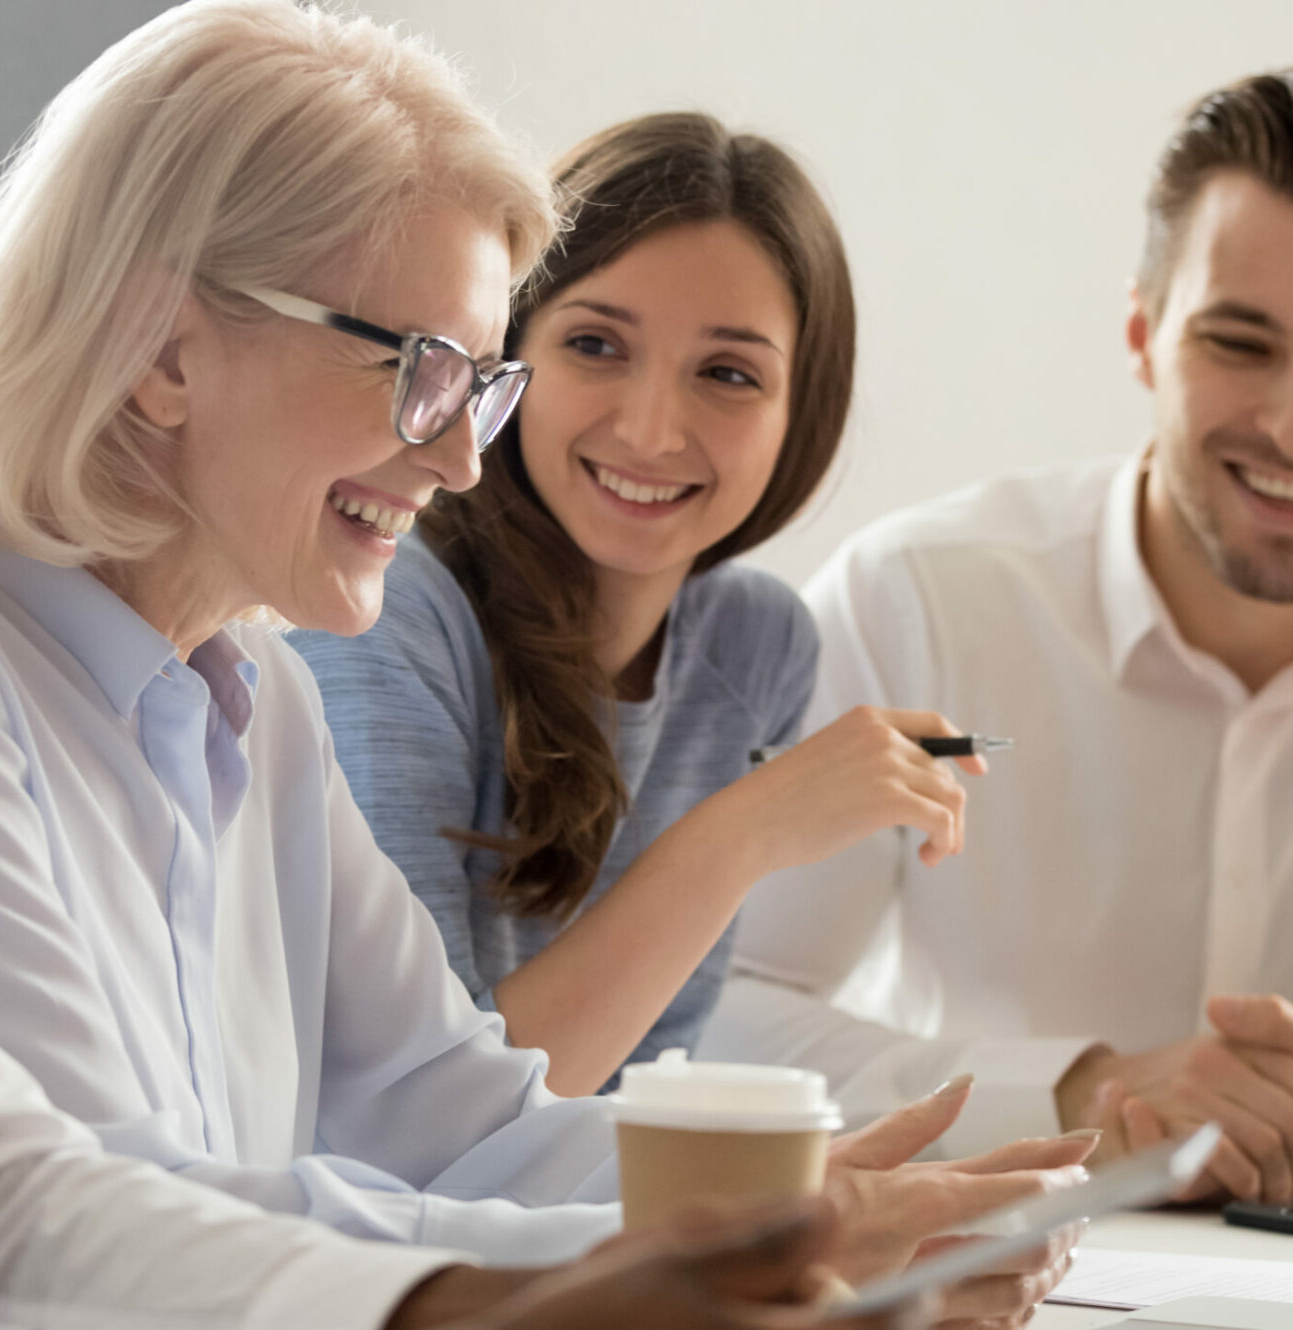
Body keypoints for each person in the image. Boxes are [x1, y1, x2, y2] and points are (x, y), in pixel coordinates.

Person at [0, 0, 969, 1325]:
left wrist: (807, 1217)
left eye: (477, 386)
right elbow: (1, 1222)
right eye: (422, 371)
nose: (458, 462)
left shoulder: (259, 703)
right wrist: (540, 1291)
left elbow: (438, 1126)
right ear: (166, 354)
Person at [703, 65, 1293, 1206]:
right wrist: (1079, 1092)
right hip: (992, 1277)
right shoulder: (914, 601)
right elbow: (711, 1016)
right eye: (1239, 341)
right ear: (1142, 334)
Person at [294, 111, 986, 1101]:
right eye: (595, 345)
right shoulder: (388, 614)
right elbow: (424, 1114)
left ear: (802, 412)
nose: (653, 430)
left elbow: (636, 1083)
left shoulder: (755, 644)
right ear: (505, 357)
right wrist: (743, 834)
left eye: (728, 373)